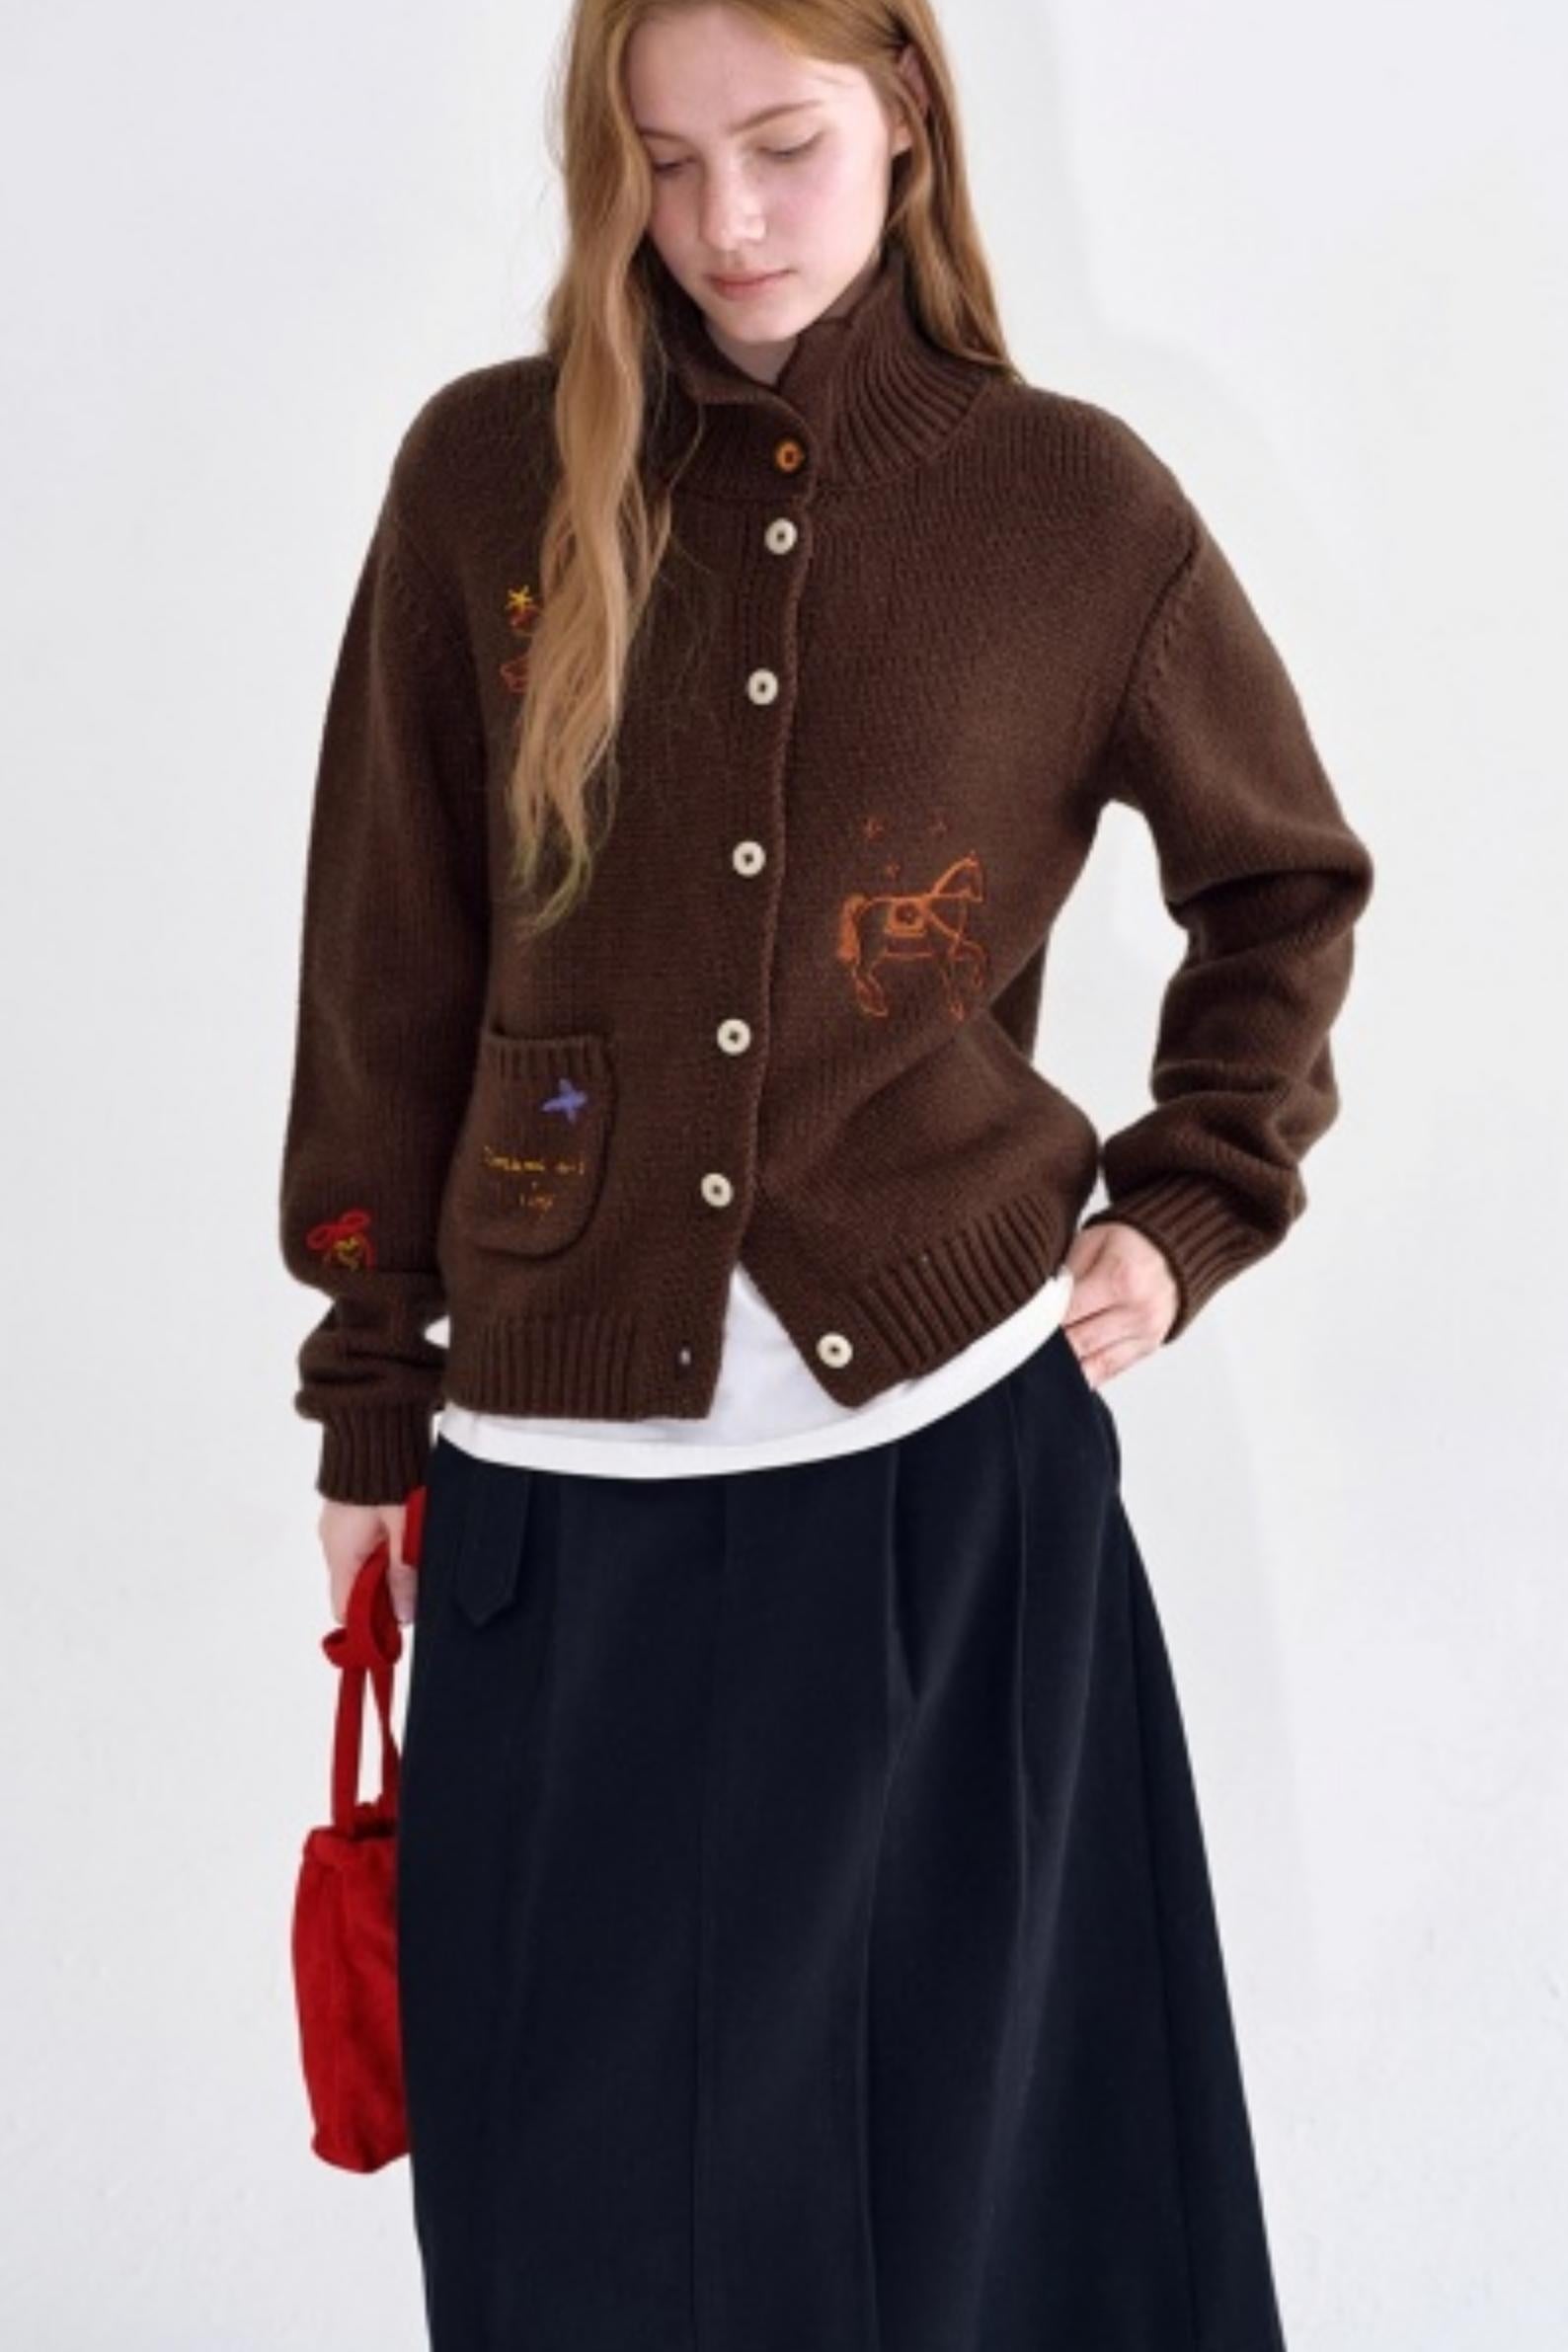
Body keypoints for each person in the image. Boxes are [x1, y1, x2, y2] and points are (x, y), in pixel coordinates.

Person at [277, 2, 1374, 2343]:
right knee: (569, 2247)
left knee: (983, 2230)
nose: (725, 220)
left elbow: (1278, 884)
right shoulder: (483, 479)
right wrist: (368, 1399)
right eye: (662, 163)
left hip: (948, 1496)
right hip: (553, 1519)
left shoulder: (1066, 508)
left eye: (779, 144)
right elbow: (389, 967)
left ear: (905, 116)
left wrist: (1190, 1204)